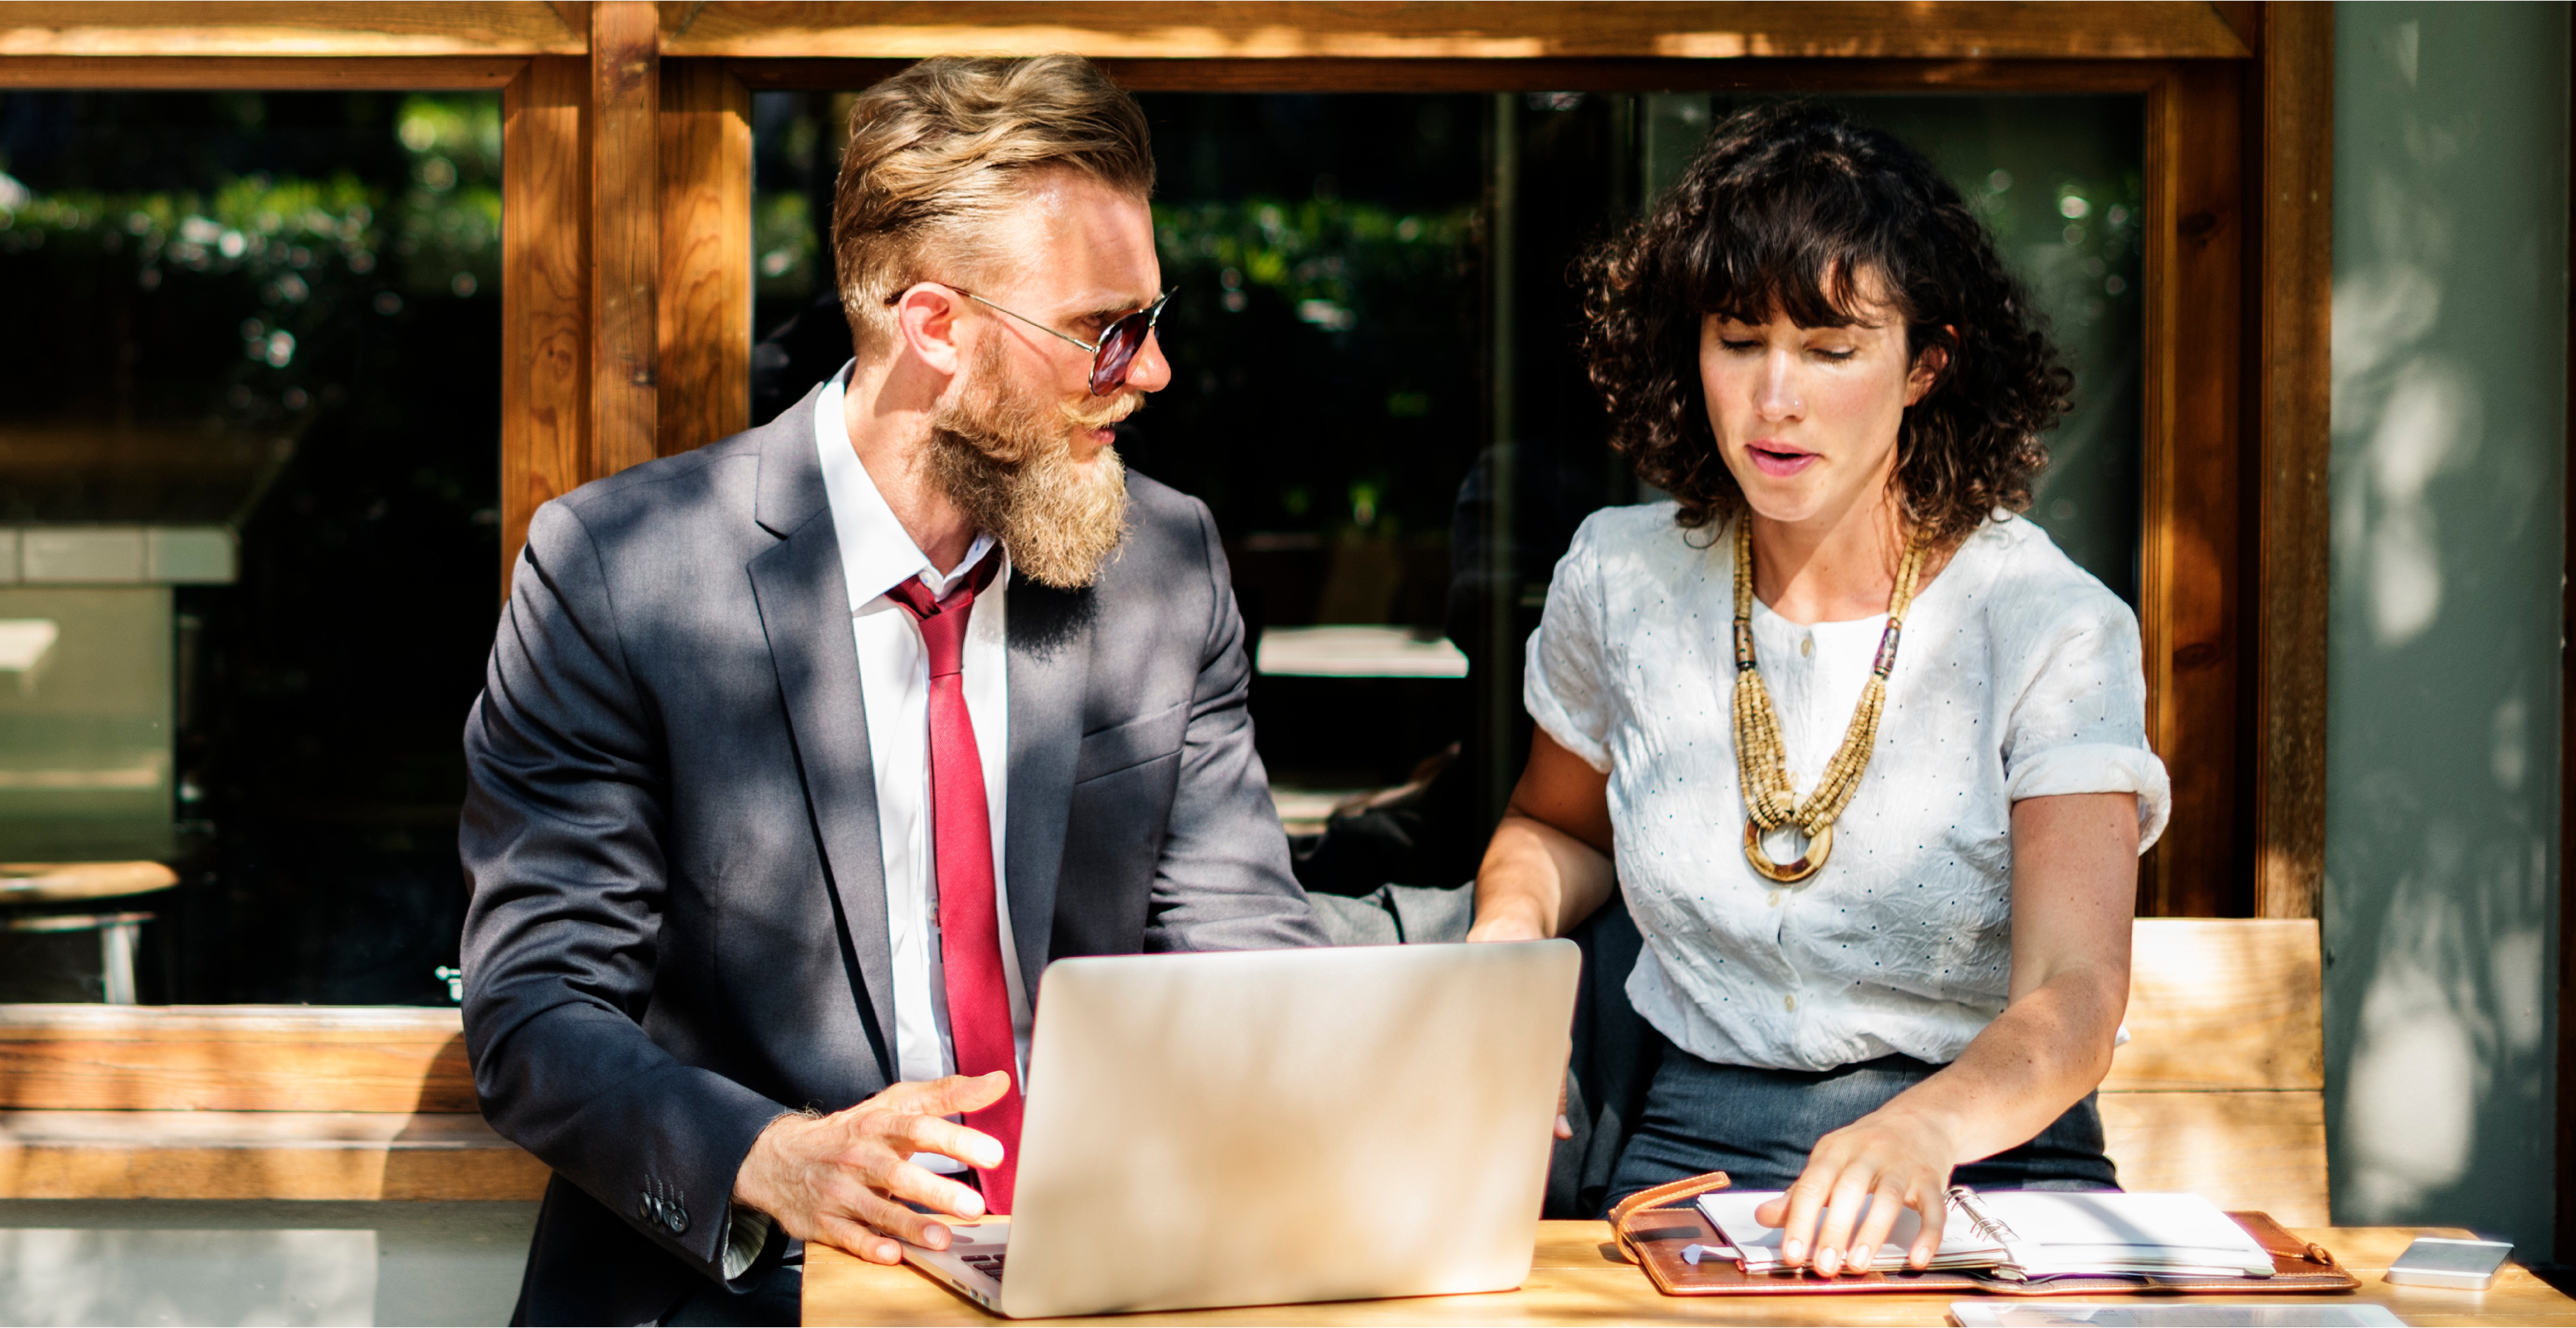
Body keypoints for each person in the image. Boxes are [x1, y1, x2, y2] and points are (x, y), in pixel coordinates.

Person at [458, 54, 1325, 1326]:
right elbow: (537, 1011)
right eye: (1105, 329)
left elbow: (1239, 946)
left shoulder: (1165, 566)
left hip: (1106, 1280)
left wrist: (1376, 1083)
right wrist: (772, 1160)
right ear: (935, 328)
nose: (1151, 373)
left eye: (1149, 319)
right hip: (751, 1284)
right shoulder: (617, 573)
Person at [1467, 103, 2167, 1278]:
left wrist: (1921, 1131)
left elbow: (2074, 990)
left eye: (1831, 350)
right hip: (1693, 1145)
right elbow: (1552, 827)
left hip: (1988, 1156)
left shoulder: (2048, 622)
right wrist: (1505, 949)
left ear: (1926, 365)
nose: (1773, 397)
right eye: (1738, 341)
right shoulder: (1619, 578)